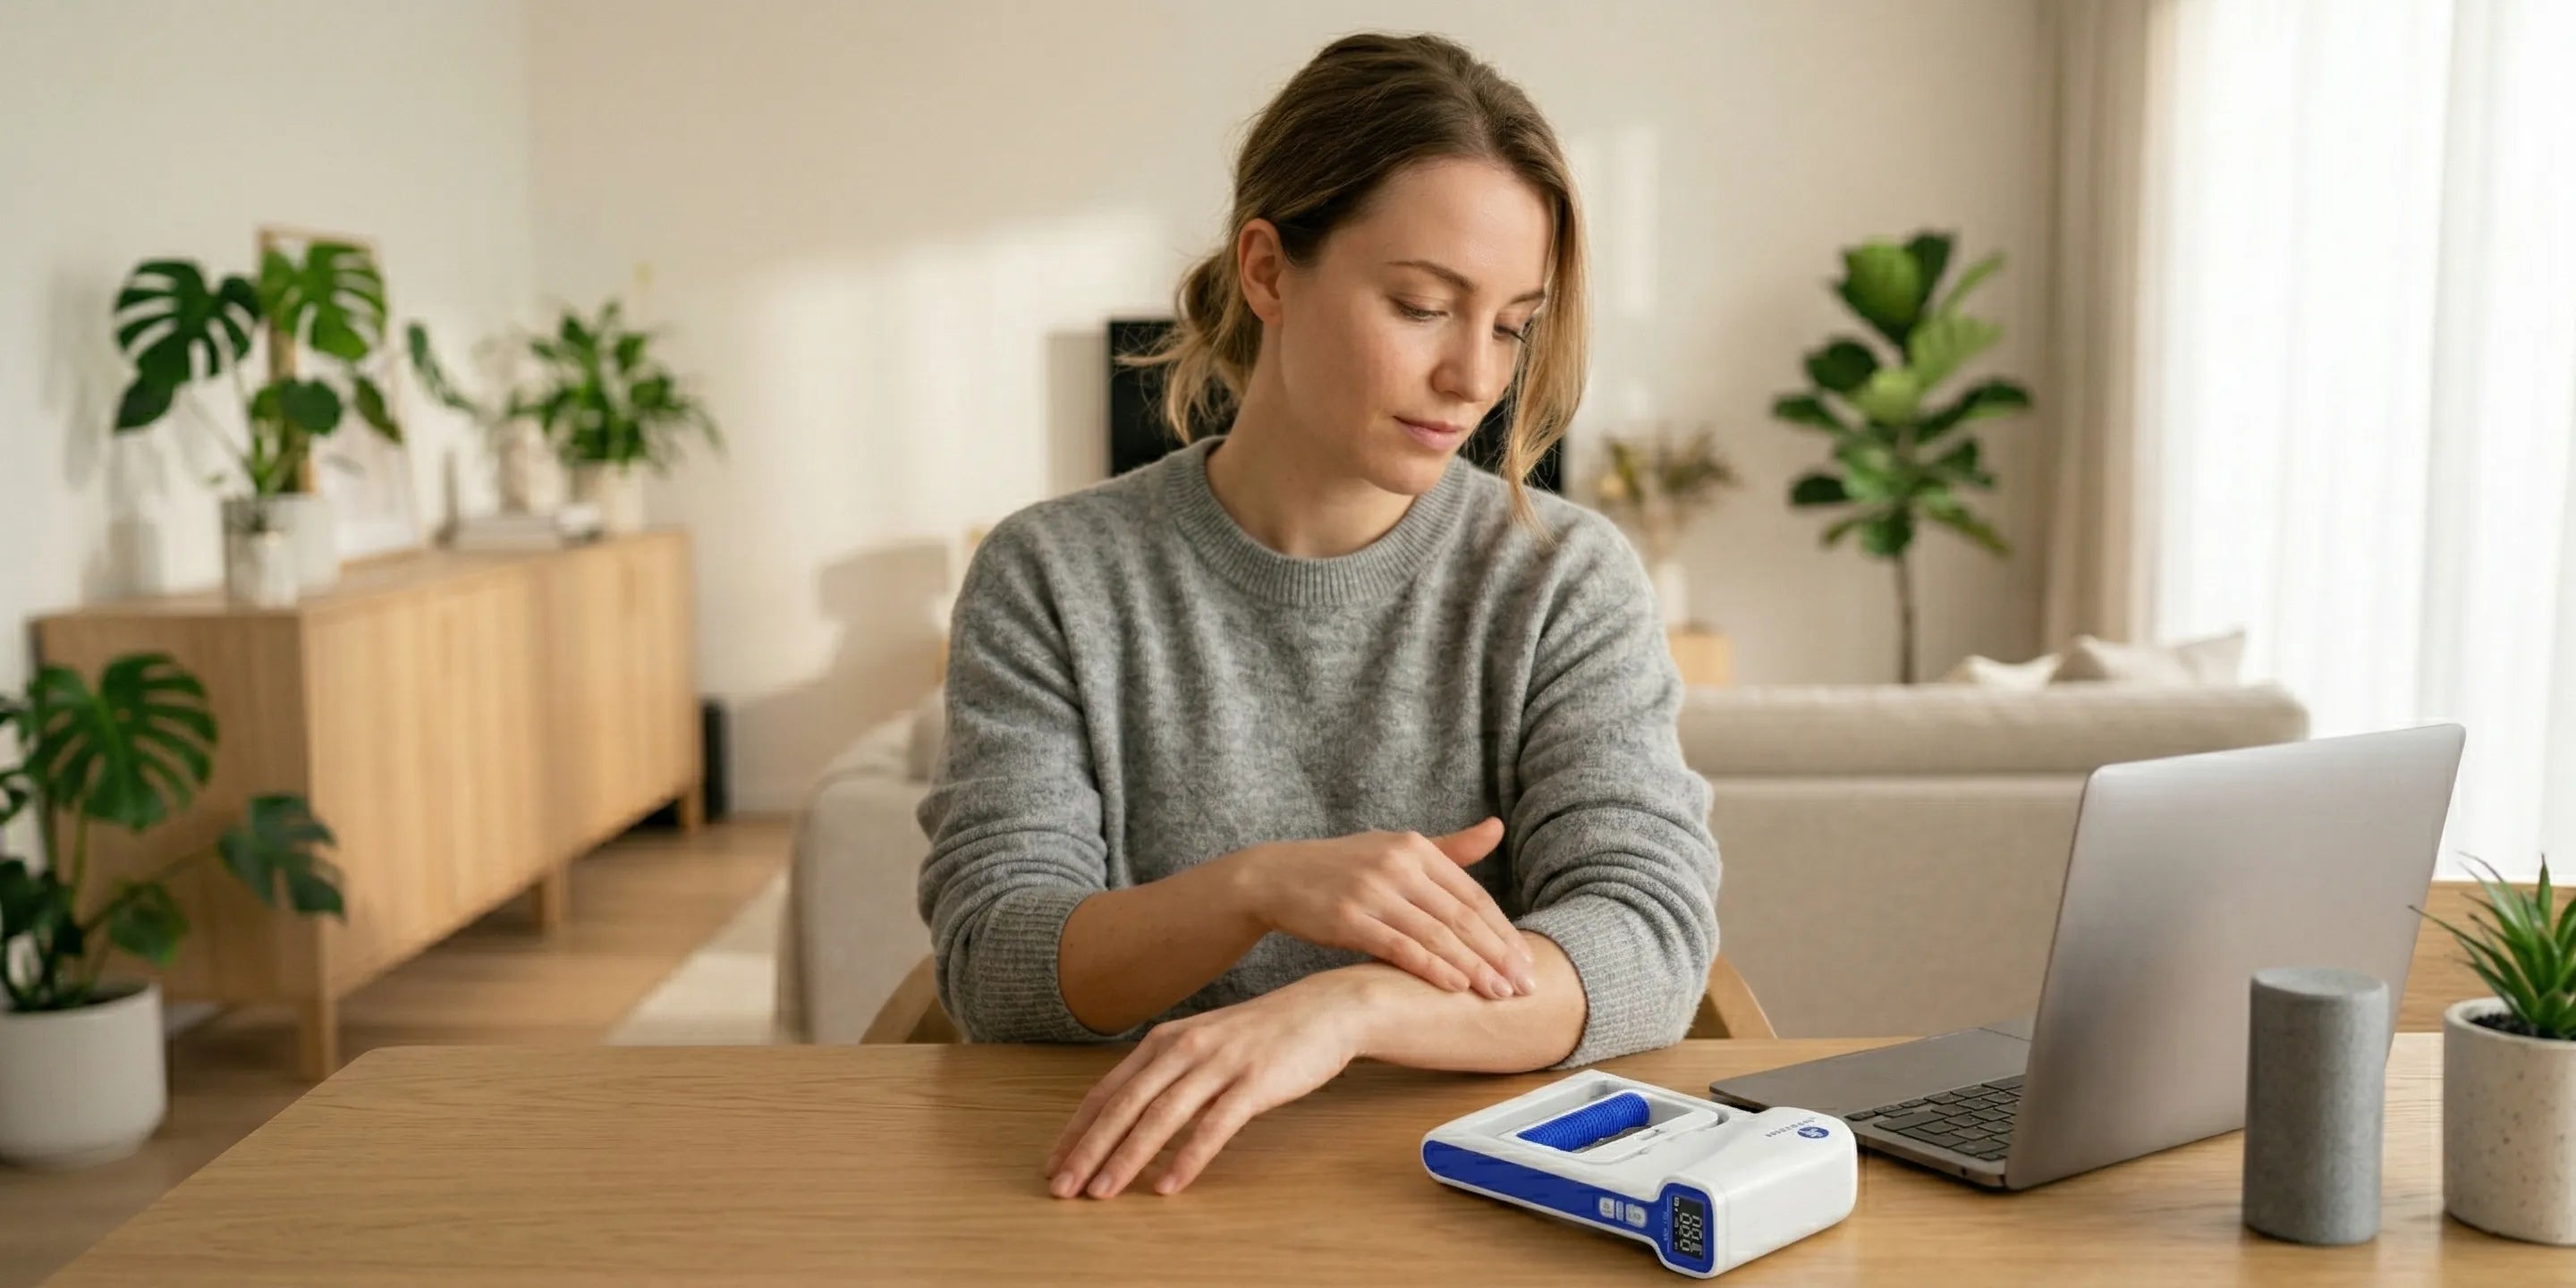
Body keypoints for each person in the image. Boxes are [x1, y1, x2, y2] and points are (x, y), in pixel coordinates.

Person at [914, 30, 1718, 1202]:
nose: (1475, 379)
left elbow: (1647, 947)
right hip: (1121, 1190)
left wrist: (1350, 1007)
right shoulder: (1056, 574)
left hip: (1463, 1195)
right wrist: (1257, 888)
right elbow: (998, 965)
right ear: (1268, 270)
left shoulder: (1564, 579)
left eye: (1510, 324)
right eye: (1422, 305)